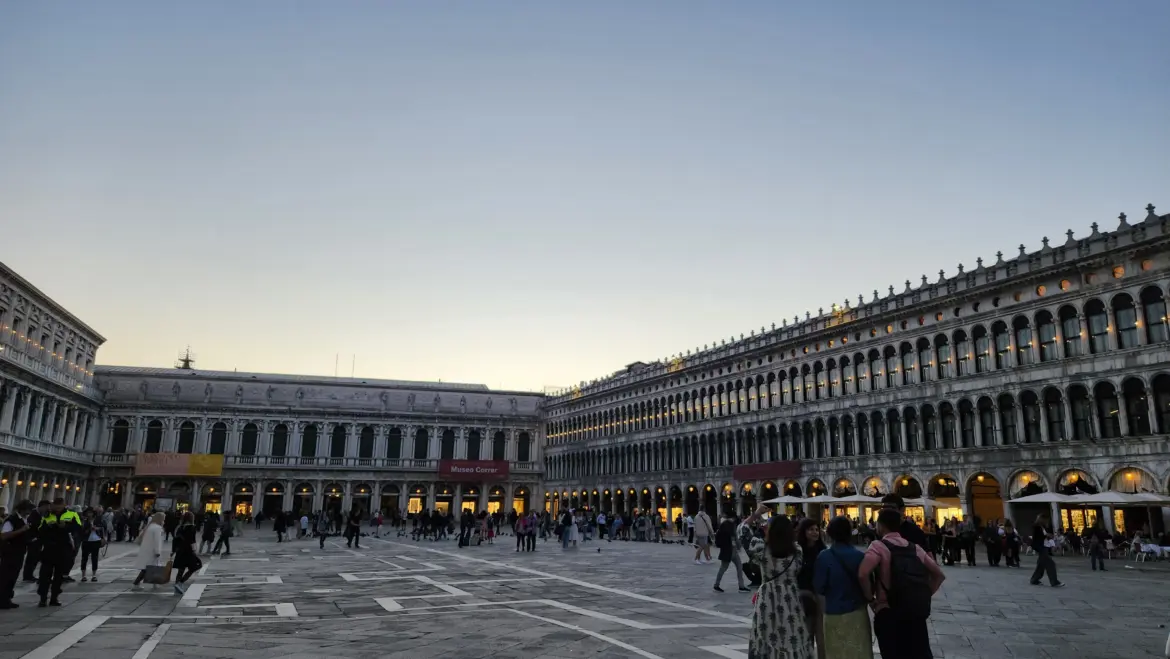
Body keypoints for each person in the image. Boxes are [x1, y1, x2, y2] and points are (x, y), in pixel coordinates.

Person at [859, 508, 945, 659]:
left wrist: (870, 600)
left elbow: (863, 574)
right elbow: (939, 575)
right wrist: (925, 594)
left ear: (880, 525)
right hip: (914, 611)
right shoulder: (915, 547)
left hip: (888, 610)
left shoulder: (878, 546)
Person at [746, 514, 815, 659]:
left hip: (767, 599)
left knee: (766, 635)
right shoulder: (797, 550)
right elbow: (798, 569)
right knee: (792, 634)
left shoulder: (761, 549)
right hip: (790, 598)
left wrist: (757, 514)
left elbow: (742, 531)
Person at [815, 515, 873, 659]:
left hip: (833, 612)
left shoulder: (824, 556)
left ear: (830, 533)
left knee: (836, 653)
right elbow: (869, 583)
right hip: (857, 612)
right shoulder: (860, 556)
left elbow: (818, 586)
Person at [36, 498, 80, 607]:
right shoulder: (47, 516)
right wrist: (49, 526)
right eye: (56, 505)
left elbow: (79, 527)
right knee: (44, 575)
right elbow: (40, 530)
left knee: (59, 575)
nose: (57, 507)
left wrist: (66, 526)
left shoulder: (72, 514)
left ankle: (54, 597)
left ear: (64, 505)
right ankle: (43, 598)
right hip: (49, 549)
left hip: (63, 548)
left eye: (60, 505)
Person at [0, 500, 36, 609]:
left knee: (13, 576)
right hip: (10, 552)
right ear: (23, 509)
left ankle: (7, 598)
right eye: (28, 510)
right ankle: (2, 600)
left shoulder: (24, 519)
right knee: (6, 576)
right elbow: (4, 536)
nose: (29, 512)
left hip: (19, 551)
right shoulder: (11, 520)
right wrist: (21, 530)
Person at [712, 510, 749, 593]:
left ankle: (717, 585)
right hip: (731, 550)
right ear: (734, 518)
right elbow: (735, 537)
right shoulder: (730, 525)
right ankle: (741, 586)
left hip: (727, 550)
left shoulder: (723, 525)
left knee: (725, 568)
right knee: (738, 567)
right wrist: (740, 546)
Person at [132, 512, 166, 591]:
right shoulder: (157, 528)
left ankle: (155, 583)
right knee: (148, 568)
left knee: (153, 567)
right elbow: (157, 541)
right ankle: (136, 583)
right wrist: (158, 551)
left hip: (147, 550)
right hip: (152, 551)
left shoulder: (149, 527)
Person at [1029, 513, 1064, 587]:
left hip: (1045, 546)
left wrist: (1048, 536)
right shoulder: (1036, 527)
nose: (1047, 521)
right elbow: (1036, 538)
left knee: (1041, 565)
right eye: (1046, 519)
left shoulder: (1043, 527)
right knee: (1050, 564)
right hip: (1041, 547)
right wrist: (1046, 536)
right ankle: (1054, 582)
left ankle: (1034, 579)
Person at [171, 511, 202, 594]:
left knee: (181, 570)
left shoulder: (179, 527)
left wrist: (173, 551)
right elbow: (192, 540)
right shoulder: (192, 527)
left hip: (180, 551)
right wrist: (194, 550)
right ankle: (180, 582)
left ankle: (177, 586)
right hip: (188, 550)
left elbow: (175, 540)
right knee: (196, 566)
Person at [21, 500, 49, 583]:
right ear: (42, 506)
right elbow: (32, 526)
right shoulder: (34, 514)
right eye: (46, 507)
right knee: (32, 557)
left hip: (39, 540)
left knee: (35, 557)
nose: (47, 509)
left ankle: (30, 575)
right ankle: (27, 576)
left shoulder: (42, 515)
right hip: (33, 539)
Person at [79, 508, 107, 582]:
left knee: (94, 558)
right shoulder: (84, 521)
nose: (89, 514)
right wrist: (89, 529)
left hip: (96, 540)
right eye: (88, 513)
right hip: (86, 541)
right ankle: (83, 575)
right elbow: (81, 532)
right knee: (84, 558)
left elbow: (103, 528)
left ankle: (94, 575)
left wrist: (97, 529)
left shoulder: (98, 520)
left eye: (91, 513)